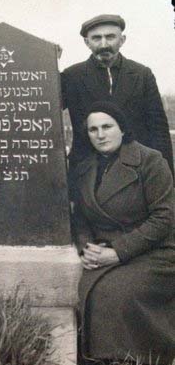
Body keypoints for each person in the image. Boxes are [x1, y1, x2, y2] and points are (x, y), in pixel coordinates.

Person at [72, 100, 175, 364]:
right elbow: (81, 217)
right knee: (93, 290)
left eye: (107, 126)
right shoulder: (85, 169)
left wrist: (119, 252)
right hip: (104, 250)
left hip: (153, 250)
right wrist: (86, 247)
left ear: (123, 129)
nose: (100, 135)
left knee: (118, 292)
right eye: (93, 129)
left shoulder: (150, 161)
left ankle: (139, 358)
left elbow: (165, 217)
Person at [61, 14, 174, 179]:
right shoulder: (71, 76)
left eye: (110, 37)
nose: (104, 44)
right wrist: (46, 58)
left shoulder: (142, 74)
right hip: (89, 174)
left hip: (137, 171)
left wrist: (167, 176)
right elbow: (44, 103)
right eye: (96, 38)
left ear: (122, 40)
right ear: (87, 42)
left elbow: (159, 129)